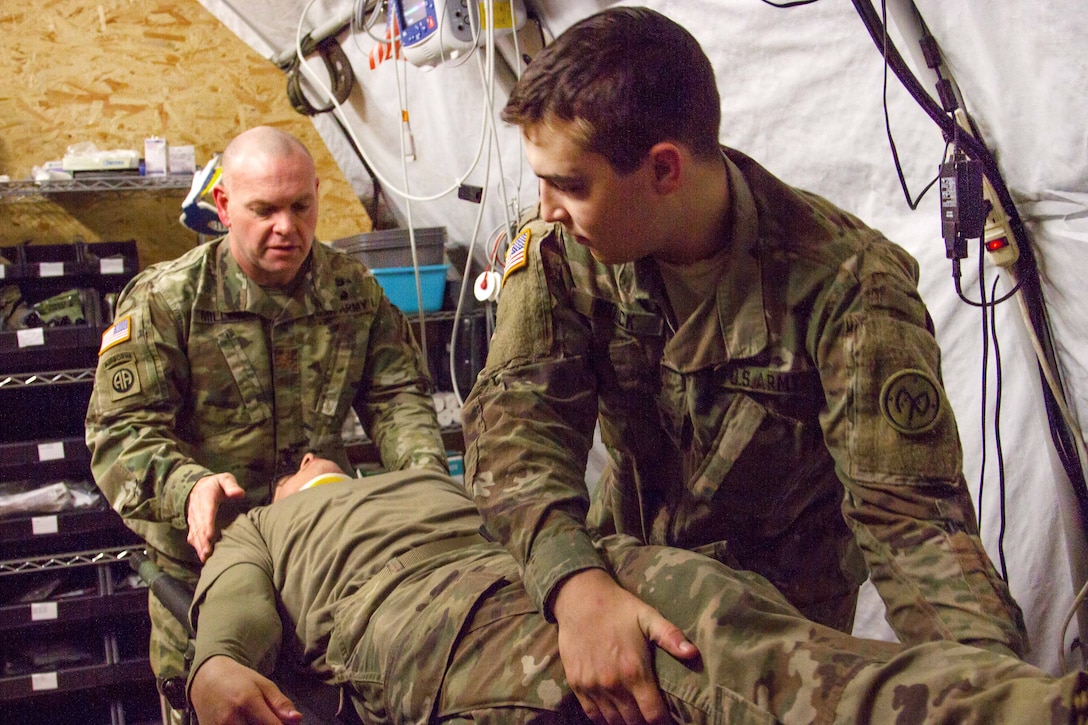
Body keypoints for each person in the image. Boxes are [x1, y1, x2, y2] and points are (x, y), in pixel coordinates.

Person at [461, 6, 1028, 723]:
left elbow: (914, 528)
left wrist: (993, 694)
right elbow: (516, 435)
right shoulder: (561, 255)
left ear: (663, 168)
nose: (547, 207)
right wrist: (573, 584)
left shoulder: (847, 285)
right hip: (622, 602)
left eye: (571, 183)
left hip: (774, 651)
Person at [186, 453, 1088, 725]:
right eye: (299, 465)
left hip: (555, 565)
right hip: (436, 616)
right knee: (685, 673)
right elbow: (234, 600)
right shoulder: (269, 526)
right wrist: (215, 661)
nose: (313, 457)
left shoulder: (429, 477)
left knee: (729, 613)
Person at [85, 126, 447, 713]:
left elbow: (396, 395)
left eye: (301, 206)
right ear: (224, 207)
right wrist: (189, 486)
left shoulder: (352, 290)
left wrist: (424, 485)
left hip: (319, 560)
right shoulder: (169, 301)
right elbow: (119, 432)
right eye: (264, 209)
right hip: (208, 572)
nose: (287, 226)